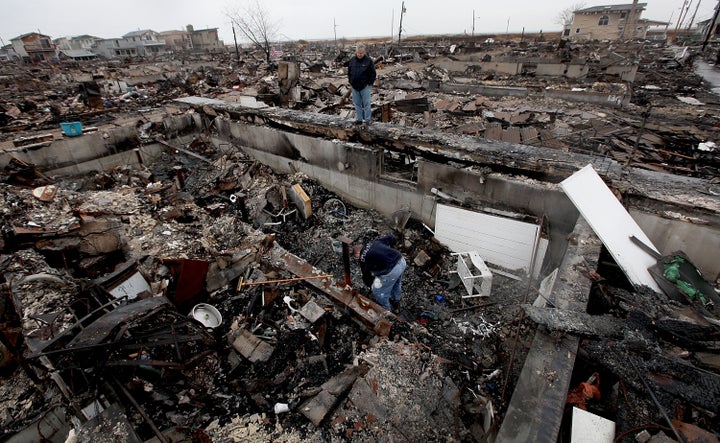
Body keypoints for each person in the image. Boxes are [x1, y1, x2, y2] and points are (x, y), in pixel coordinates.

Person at [354, 235, 406, 311]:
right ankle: (396, 301)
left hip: (392, 269)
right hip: (401, 260)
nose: (357, 258)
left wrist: (370, 284)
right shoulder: (375, 242)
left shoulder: (362, 257)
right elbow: (392, 238)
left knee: (377, 290)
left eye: (356, 257)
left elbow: (366, 274)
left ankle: (387, 311)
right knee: (396, 283)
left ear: (357, 253)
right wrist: (392, 249)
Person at [347, 44, 376, 126]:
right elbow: (349, 72)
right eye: (358, 53)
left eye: (361, 53)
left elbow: (373, 74)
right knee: (357, 104)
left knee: (366, 104)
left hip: (365, 86)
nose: (360, 54)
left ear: (364, 52)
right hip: (354, 86)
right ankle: (359, 119)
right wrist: (350, 81)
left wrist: (369, 84)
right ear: (356, 52)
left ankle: (367, 120)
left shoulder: (368, 61)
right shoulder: (352, 60)